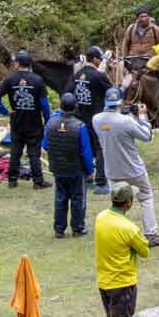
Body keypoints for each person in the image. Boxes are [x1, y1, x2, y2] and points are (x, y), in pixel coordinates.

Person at [92, 87, 159, 246]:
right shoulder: (126, 121)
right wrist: (141, 116)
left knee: (118, 203)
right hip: (133, 169)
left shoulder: (96, 119)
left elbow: (111, 122)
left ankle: (118, 234)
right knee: (146, 197)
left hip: (112, 170)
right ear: (120, 102)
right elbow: (147, 136)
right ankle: (151, 234)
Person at [0, 50, 52, 189]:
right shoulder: (37, 80)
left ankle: (12, 180)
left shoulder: (9, 79)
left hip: (16, 121)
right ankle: (38, 182)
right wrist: (47, 120)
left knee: (15, 151)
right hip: (34, 122)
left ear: (17, 63)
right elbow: (44, 104)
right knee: (34, 153)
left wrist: (5, 111)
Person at [94, 182, 150, 317]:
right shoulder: (130, 228)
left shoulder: (100, 217)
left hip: (104, 282)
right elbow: (145, 251)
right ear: (128, 203)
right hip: (122, 284)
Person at [42, 92, 94, 238]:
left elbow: (45, 145)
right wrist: (89, 170)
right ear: (75, 107)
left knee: (60, 198)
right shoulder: (80, 126)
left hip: (58, 169)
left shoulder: (50, 124)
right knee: (78, 198)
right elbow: (86, 152)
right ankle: (78, 228)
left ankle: (59, 229)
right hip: (76, 169)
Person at [67, 45, 113, 195]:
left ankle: (86, 179)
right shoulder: (98, 76)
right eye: (100, 59)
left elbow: (68, 92)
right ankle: (100, 182)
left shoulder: (78, 74)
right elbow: (112, 93)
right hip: (97, 119)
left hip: (80, 118)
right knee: (101, 149)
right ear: (94, 59)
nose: (101, 62)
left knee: (84, 148)